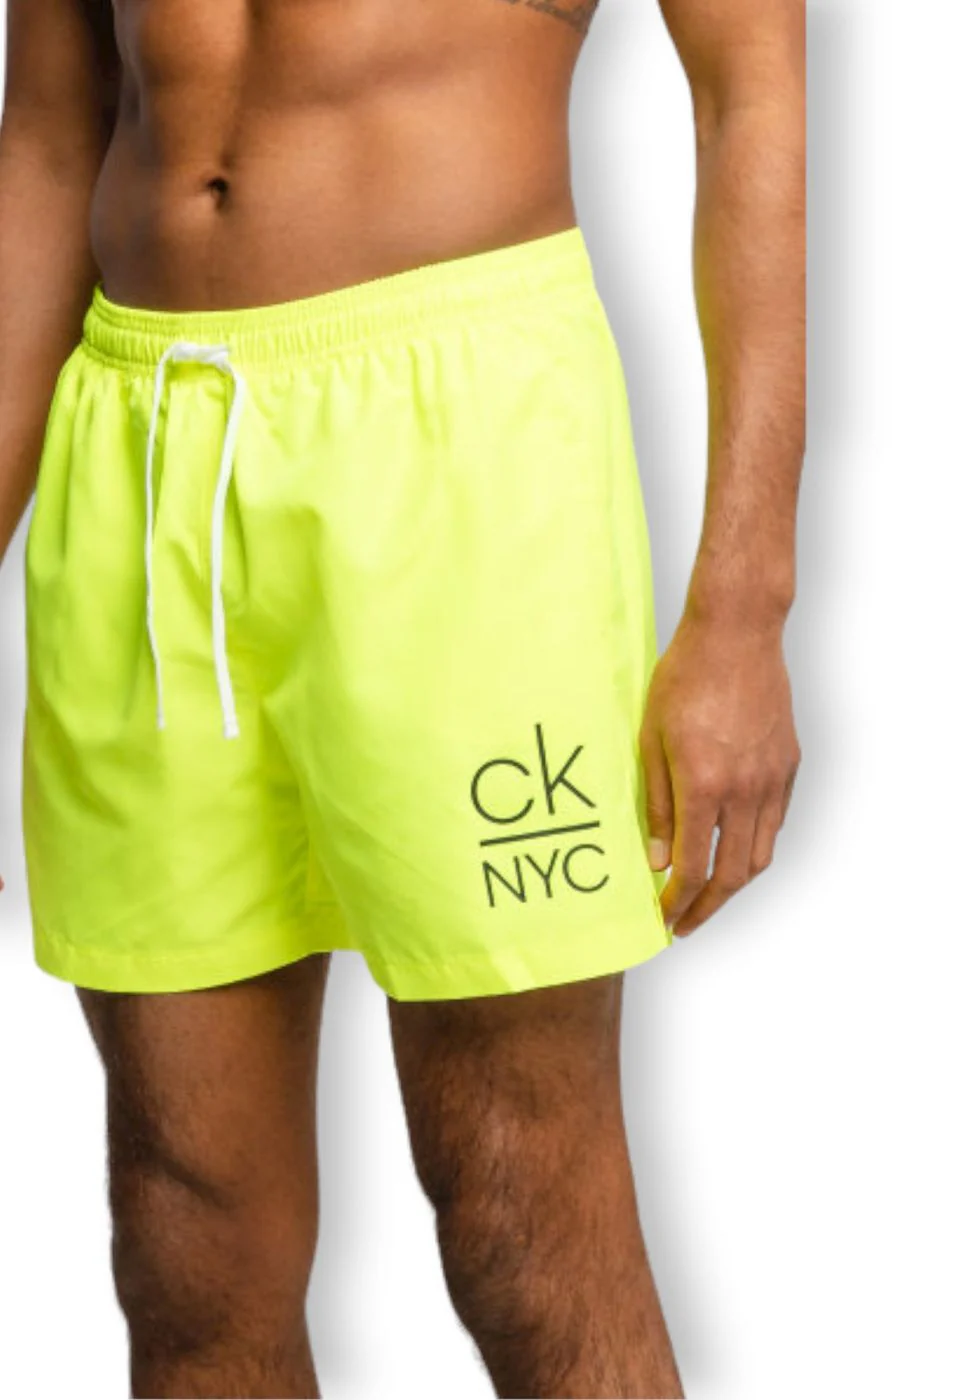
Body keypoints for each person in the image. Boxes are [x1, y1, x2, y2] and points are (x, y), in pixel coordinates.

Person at [0, 0, 804, 1395]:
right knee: (186, 1240)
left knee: (519, 1210)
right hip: (144, 444)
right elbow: (51, 140)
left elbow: (752, 99)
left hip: (461, 445)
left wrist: (744, 609)